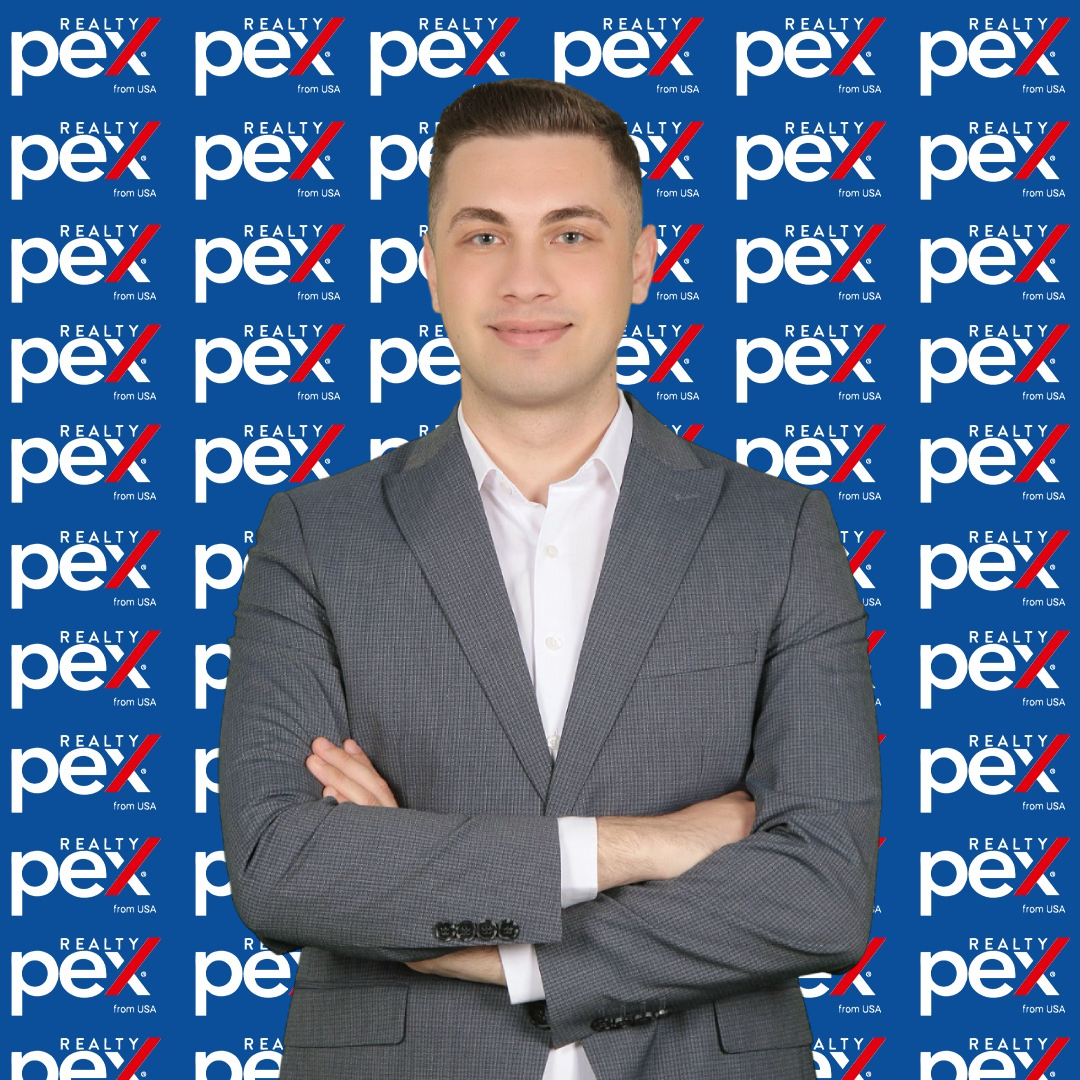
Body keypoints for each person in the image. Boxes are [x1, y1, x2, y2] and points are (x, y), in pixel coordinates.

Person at [218, 78, 881, 1080]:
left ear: (641, 263)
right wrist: (640, 846)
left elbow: (822, 891)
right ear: (430, 267)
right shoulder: (316, 535)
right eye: (484, 236)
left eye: (570, 234)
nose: (525, 279)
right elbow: (283, 866)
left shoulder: (777, 532)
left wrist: (501, 949)